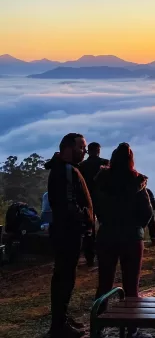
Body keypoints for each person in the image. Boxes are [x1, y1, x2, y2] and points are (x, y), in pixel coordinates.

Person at [93, 143, 154, 338]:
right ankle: (132, 330)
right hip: (131, 238)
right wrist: (137, 228)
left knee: (104, 284)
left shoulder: (101, 180)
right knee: (131, 286)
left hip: (107, 235)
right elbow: (147, 212)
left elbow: (97, 206)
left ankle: (99, 329)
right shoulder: (136, 182)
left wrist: (105, 221)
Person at [45, 132, 92, 338]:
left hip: (68, 230)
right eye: (82, 147)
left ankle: (61, 318)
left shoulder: (68, 169)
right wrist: (83, 220)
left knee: (66, 276)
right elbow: (68, 204)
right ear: (68, 148)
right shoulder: (64, 170)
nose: (85, 151)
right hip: (67, 232)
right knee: (64, 277)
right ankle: (58, 326)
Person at [78, 142, 108, 267]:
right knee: (105, 225)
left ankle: (90, 257)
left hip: (87, 199)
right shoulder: (105, 163)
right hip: (103, 198)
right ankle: (105, 252)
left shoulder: (82, 165)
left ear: (88, 151)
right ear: (98, 151)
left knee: (89, 229)